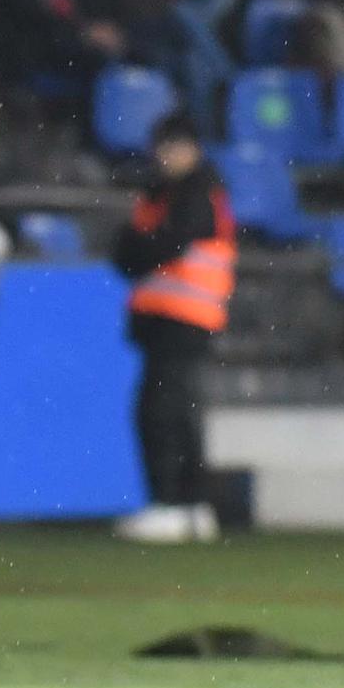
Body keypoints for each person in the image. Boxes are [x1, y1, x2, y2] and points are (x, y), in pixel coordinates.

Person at [110, 114, 235, 544]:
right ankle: (191, 506)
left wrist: (143, 246)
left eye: (172, 147)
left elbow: (150, 245)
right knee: (180, 410)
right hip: (178, 317)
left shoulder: (193, 193)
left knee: (161, 411)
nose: (165, 157)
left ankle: (171, 502)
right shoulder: (177, 192)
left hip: (181, 315)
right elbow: (128, 251)